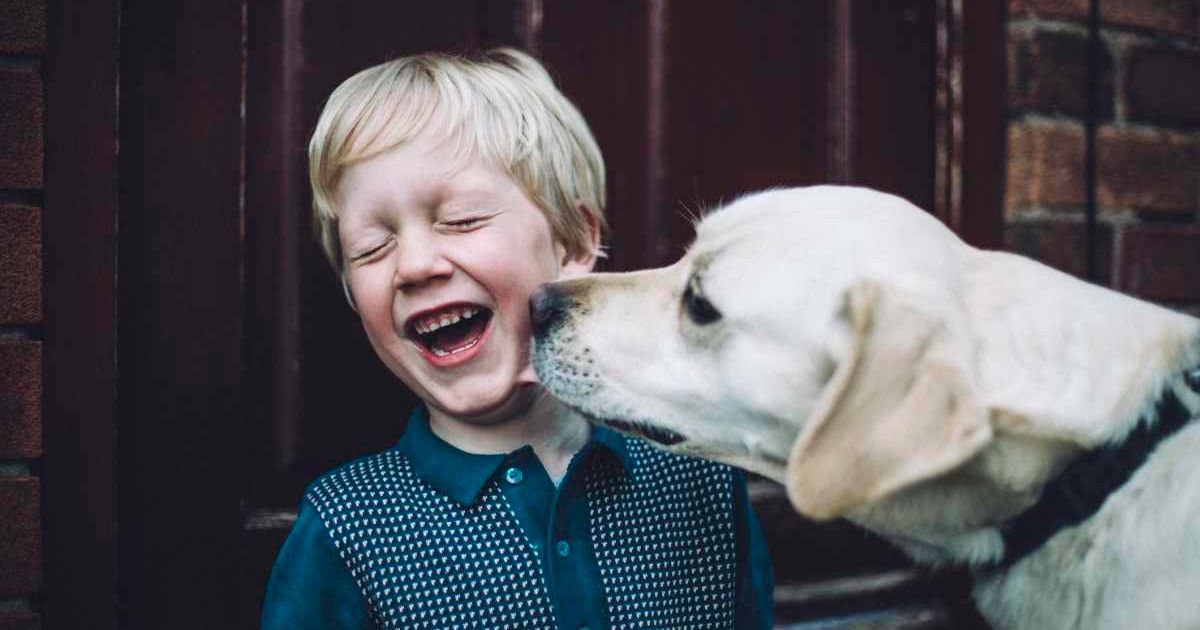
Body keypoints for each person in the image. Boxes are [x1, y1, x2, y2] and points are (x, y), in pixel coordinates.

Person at [260, 47, 774, 629]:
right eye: (372, 248)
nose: (414, 265)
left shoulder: (699, 477)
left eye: (461, 220)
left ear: (574, 242)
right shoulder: (346, 530)